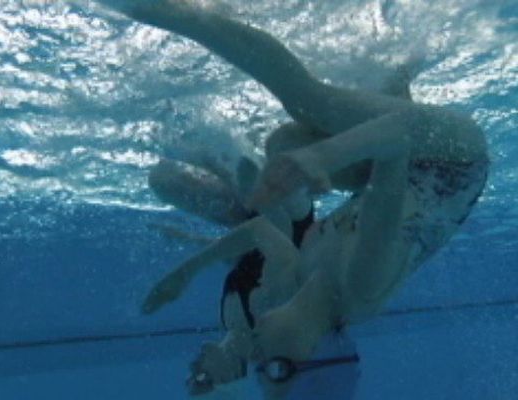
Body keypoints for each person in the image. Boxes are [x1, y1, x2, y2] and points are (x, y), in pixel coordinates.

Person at [91, 1, 489, 399]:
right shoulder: (362, 285)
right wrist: (321, 157)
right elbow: (395, 141)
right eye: (274, 367)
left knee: (284, 143)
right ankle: (159, 11)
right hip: (451, 161)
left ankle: (395, 77)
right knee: (310, 103)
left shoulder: (296, 284)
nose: (258, 355)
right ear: (316, 351)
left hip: (396, 169)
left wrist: (186, 272)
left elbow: (262, 230)